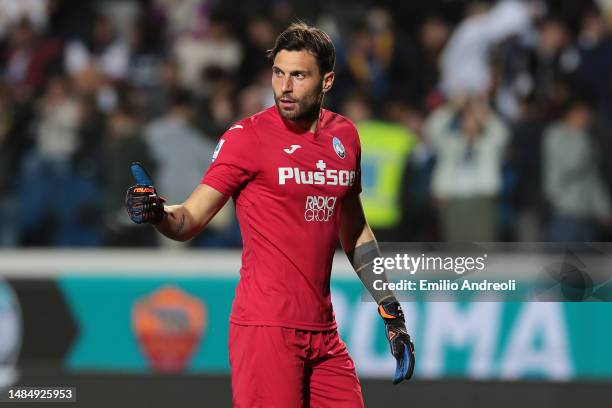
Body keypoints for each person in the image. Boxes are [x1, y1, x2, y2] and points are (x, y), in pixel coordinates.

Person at [125, 23, 415, 407]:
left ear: (327, 80)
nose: (285, 87)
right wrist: (158, 211)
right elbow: (188, 220)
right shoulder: (248, 137)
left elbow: (356, 230)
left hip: (324, 334)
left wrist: (390, 307)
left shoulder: (345, 137)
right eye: (279, 73)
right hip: (266, 329)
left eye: (298, 75)